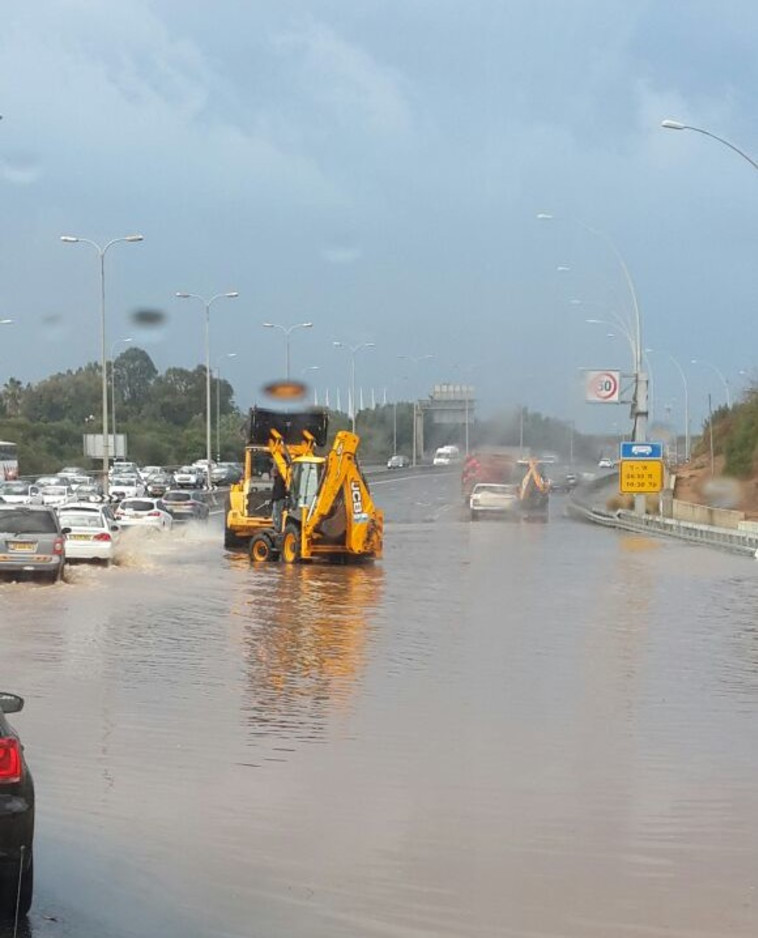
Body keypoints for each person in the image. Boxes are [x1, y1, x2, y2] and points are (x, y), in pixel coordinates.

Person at [271, 466, 288, 532]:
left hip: (278, 500)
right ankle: (278, 528)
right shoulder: (280, 479)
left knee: (277, 515)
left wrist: (274, 499)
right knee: (276, 515)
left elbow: (278, 491)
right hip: (279, 499)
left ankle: (278, 528)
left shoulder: (278, 480)